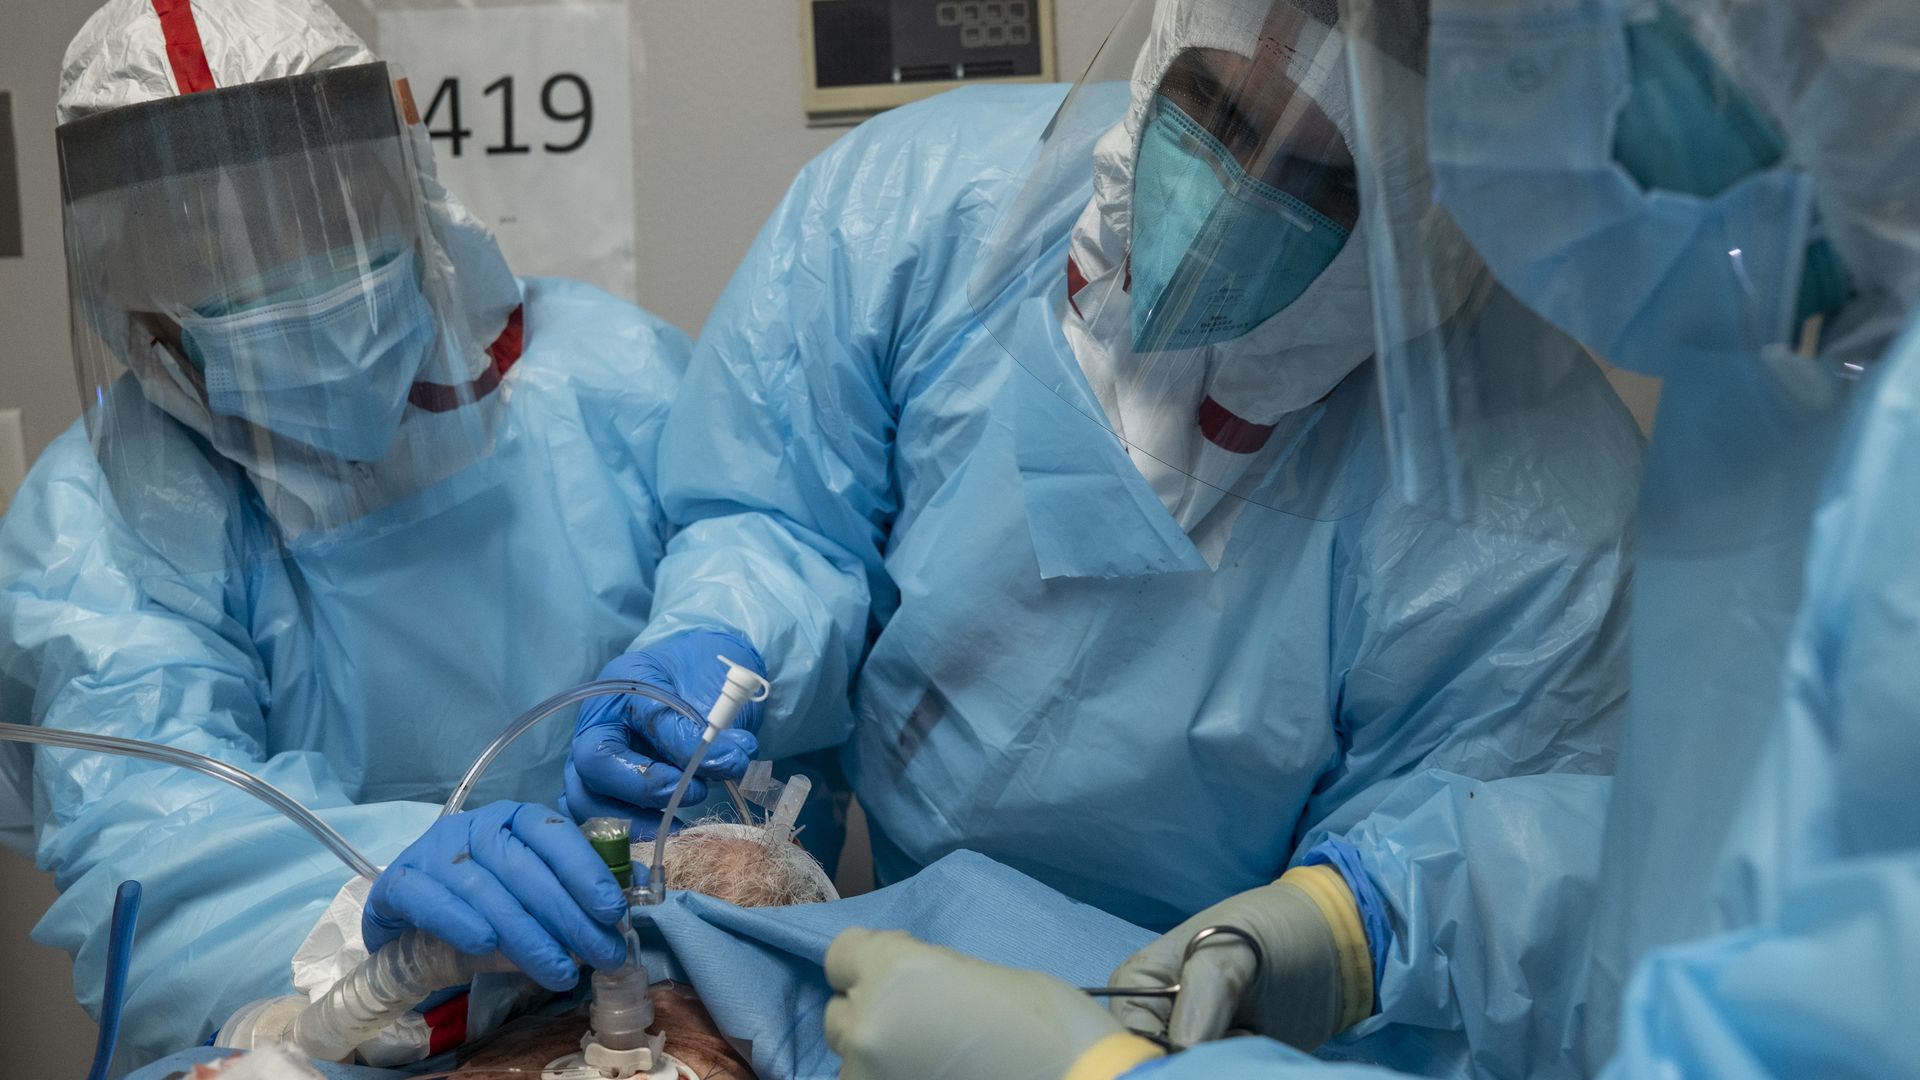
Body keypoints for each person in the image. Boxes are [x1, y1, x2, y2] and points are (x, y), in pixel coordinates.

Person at [818, 0, 1920, 1077]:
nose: (1521, 143)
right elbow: (1676, 880)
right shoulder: (1780, 400)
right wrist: (1363, 920)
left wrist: (1111, 1072)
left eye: (1545, 65)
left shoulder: (1567, 494)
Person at [572, 0, 1641, 1058]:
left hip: (1220, 1026)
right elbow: (784, 516)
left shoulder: (1527, 499)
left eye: (1322, 182)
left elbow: (1445, 908)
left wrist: (1236, 1001)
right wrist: (723, 642)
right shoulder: (917, 212)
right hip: (877, 947)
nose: (1235, 196)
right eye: (1210, 110)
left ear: (1436, 216)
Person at [0, 0, 743, 1067]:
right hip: (332, 1032)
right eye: (200, 231)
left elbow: (754, 602)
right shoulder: (106, 517)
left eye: (315, 197)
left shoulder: (606, 379)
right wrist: (371, 902)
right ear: (125, 279)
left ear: (401, 163)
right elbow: (150, 849)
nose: (276, 258)